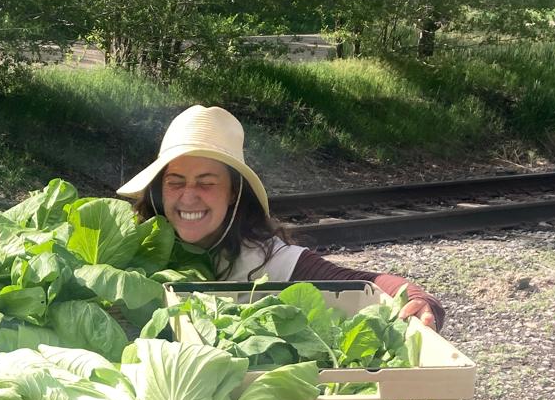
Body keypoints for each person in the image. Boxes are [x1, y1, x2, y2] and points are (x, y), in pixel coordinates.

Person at [117, 104, 444, 329]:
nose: (189, 196)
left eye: (206, 183)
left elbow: (361, 284)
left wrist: (417, 299)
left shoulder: (267, 261)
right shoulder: (128, 249)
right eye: (175, 182)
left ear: (233, 193)